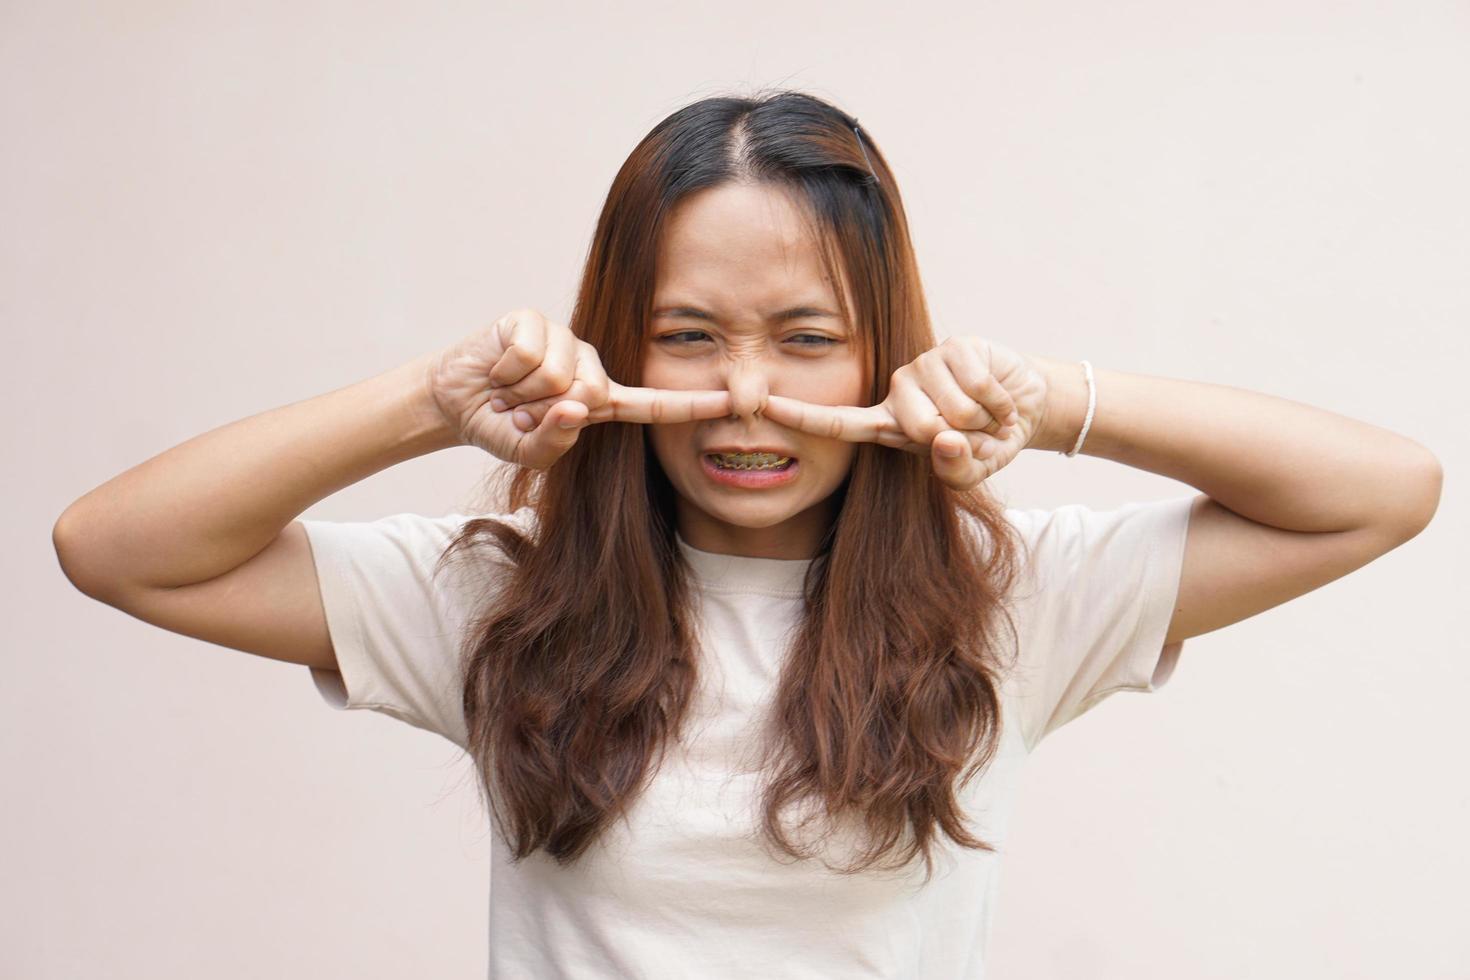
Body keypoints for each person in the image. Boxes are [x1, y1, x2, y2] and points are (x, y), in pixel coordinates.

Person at [53, 89, 1442, 978]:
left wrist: (1057, 401)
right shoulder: (498, 600)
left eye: (807, 340)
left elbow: (1380, 490)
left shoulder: (1008, 597)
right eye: (687, 336)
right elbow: (117, 547)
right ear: (615, 346)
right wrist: (431, 400)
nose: (745, 396)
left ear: (881, 351)